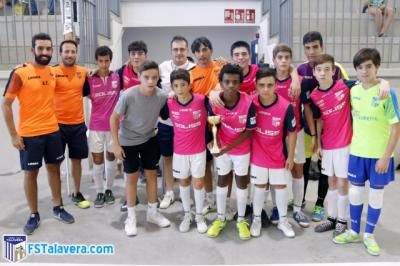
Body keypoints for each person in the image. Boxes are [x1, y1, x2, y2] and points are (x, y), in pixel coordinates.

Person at [2, 33, 74, 235]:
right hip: (29, 135)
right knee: (30, 174)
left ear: (52, 51)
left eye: (48, 49)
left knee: (54, 170)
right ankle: (34, 214)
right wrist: (13, 135)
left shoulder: (52, 72)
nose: (44, 52)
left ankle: (58, 207)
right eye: (40, 49)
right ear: (32, 50)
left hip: (52, 131)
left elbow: (72, 71)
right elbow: (6, 105)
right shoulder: (20, 73)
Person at [333, 48, 400, 256]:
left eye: (369, 66)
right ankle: (354, 231)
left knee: (376, 195)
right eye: (360, 67)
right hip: (357, 152)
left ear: (377, 67)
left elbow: (396, 127)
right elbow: (329, 81)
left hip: (379, 155)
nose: (364, 71)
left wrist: (386, 156)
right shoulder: (353, 90)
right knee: (355, 191)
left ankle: (369, 234)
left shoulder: (387, 93)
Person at [110, 60, 170, 237]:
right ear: (139, 77)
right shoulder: (128, 95)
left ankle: (152, 213)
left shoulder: (161, 96)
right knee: (132, 178)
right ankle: (131, 217)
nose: (150, 81)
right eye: (146, 77)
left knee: (152, 175)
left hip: (149, 139)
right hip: (128, 141)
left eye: (154, 77)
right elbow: (113, 119)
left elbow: (170, 107)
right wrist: (116, 144)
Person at [297, 31, 349, 223]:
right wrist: (313, 134)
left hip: (332, 131)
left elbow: (348, 92)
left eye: (315, 47)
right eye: (308, 48)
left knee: (326, 169)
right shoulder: (300, 71)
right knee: (303, 166)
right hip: (309, 127)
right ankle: (300, 201)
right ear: (304, 50)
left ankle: (320, 203)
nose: (312, 52)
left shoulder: (336, 68)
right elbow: (307, 106)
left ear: (322, 47)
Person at [207, 64, 256, 240]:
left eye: (235, 82)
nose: (231, 85)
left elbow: (249, 131)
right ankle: (220, 218)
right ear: (220, 82)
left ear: (240, 84)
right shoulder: (215, 102)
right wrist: (214, 144)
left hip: (241, 150)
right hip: (222, 149)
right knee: (221, 180)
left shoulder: (248, 103)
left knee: (241, 182)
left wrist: (227, 148)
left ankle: (241, 220)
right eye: (227, 81)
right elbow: (213, 125)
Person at [309, 54, 356, 238]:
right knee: (331, 181)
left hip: (345, 143)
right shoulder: (314, 95)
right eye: (319, 70)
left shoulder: (344, 86)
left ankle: (343, 221)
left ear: (334, 71)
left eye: (327, 69)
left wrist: (383, 84)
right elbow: (319, 120)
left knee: (343, 182)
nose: (323, 73)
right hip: (327, 145)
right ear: (314, 72)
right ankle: (332, 218)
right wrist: (319, 143)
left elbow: (369, 83)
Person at [269, 44, 314, 228]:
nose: (284, 61)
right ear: (274, 60)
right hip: (273, 134)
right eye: (280, 57)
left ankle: (297, 209)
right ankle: (275, 207)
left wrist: (315, 134)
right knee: (276, 173)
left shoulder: (300, 81)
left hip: (296, 131)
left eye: (287, 57)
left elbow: (307, 107)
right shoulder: (268, 79)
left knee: (297, 170)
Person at [160, 68, 209, 233]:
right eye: (176, 86)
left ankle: (199, 216)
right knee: (184, 182)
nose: (180, 89)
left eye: (183, 85)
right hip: (180, 151)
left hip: (198, 150)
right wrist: (166, 97)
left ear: (189, 85)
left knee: (198, 182)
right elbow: (161, 113)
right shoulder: (170, 103)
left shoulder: (202, 100)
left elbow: (217, 113)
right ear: (172, 87)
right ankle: (187, 215)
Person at [250, 67, 296, 238]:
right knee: (259, 187)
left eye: (270, 85)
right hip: (258, 155)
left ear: (276, 85)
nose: (266, 89)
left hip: (278, 155)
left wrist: (291, 156)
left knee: (281, 187)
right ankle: (256, 220)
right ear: (256, 86)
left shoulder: (285, 106)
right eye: (262, 85)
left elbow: (292, 133)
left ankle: (283, 221)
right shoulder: (251, 102)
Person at [158, 36, 196, 209]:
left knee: (189, 159)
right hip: (166, 122)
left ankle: (186, 192)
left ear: (187, 51)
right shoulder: (162, 68)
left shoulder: (195, 68)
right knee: (168, 158)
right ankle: (169, 192)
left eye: (182, 49)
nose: (179, 53)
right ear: (171, 51)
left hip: (188, 124)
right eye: (175, 49)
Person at [53, 39, 90, 209]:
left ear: (76, 53)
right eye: (66, 52)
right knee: (55, 163)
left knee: (77, 160)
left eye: (72, 51)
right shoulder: (51, 71)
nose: (69, 55)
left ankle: (77, 192)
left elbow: (91, 91)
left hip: (77, 125)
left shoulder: (83, 72)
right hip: (56, 126)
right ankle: (57, 197)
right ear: (60, 53)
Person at [189, 36, 224, 215]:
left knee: (224, 164)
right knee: (206, 165)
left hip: (223, 123)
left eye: (205, 49)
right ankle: (210, 199)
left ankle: (224, 201)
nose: (202, 54)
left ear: (211, 50)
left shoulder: (221, 67)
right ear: (193, 54)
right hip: (201, 127)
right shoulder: (191, 74)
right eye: (198, 51)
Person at [117, 40, 148, 212]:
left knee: (149, 167)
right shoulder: (122, 72)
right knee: (130, 167)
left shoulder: (150, 71)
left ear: (145, 55)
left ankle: (151, 197)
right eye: (133, 53)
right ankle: (130, 197)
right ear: (129, 56)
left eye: (140, 53)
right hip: (127, 128)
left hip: (148, 127)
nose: (136, 57)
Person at [87, 46, 119, 208]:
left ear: (110, 61)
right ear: (96, 61)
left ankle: (108, 189)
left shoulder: (117, 77)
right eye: (100, 61)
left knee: (111, 157)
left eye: (106, 61)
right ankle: (99, 191)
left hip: (113, 127)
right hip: (95, 127)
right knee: (98, 159)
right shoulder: (89, 79)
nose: (104, 64)